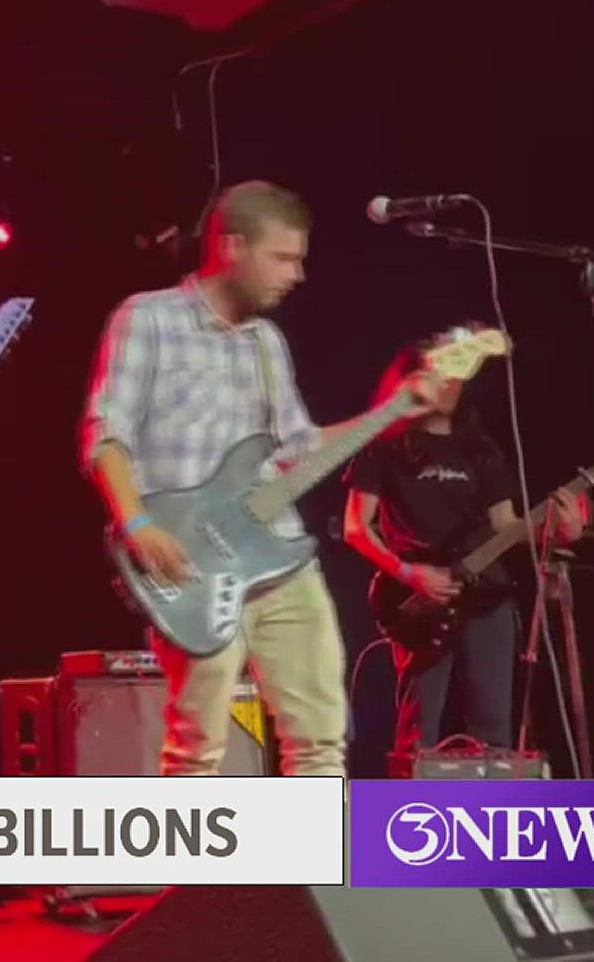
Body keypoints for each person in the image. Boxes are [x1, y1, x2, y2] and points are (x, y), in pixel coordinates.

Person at [80, 180, 437, 777]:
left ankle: (318, 871)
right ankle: (190, 874)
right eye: (284, 257)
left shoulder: (267, 343)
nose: (297, 273)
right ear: (232, 245)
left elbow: (299, 449)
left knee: (321, 738)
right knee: (197, 748)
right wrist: (136, 522)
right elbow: (103, 434)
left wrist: (395, 408)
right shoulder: (148, 318)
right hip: (189, 563)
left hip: (279, 558)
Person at [342, 334, 586, 754]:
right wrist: (408, 573)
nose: (451, 385)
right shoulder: (383, 448)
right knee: (421, 726)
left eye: (458, 376)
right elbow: (355, 528)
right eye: (440, 374)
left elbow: (506, 524)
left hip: (487, 596)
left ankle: (489, 812)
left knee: (493, 729)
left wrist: (559, 530)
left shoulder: (480, 449)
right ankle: (406, 813)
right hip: (418, 599)